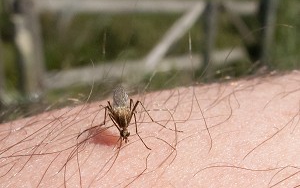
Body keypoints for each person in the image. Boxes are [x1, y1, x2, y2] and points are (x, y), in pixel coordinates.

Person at [0, 71, 299, 187]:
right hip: (117, 114)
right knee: (115, 110)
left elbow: (125, 105)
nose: (125, 136)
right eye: (126, 134)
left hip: (122, 112)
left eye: (126, 134)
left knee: (128, 109)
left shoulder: (127, 118)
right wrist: (113, 126)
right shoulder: (121, 119)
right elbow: (116, 105)